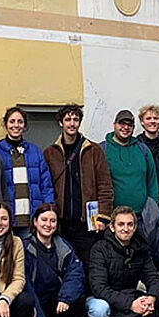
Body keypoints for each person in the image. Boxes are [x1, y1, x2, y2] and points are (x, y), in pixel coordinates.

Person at [42, 104, 113, 268]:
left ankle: (88, 294)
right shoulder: (50, 153)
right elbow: (45, 185)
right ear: (61, 123)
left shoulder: (94, 150)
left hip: (86, 222)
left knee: (89, 263)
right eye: (67, 119)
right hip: (61, 222)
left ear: (80, 123)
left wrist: (103, 216)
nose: (72, 123)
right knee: (63, 264)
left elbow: (105, 185)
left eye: (75, 119)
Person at [21, 204, 88, 317]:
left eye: (52, 221)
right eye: (44, 220)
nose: (48, 224)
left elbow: (76, 273)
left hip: (55, 300)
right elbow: (23, 282)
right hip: (32, 298)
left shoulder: (63, 245)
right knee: (23, 301)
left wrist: (65, 297)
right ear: (35, 222)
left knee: (78, 299)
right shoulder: (24, 246)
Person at [0, 106, 55, 237]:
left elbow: (46, 184)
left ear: (24, 125)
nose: (16, 125)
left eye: (20, 122)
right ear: (5, 124)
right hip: (6, 220)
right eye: (12, 121)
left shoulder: (34, 151)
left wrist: (47, 211)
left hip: (30, 219)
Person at [101, 109, 159, 232]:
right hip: (112, 220)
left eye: (129, 125)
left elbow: (152, 182)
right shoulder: (102, 150)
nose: (125, 127)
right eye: (122, 123)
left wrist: (153, 211)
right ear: (114, 125)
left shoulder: (143, 150)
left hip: (141, 220)